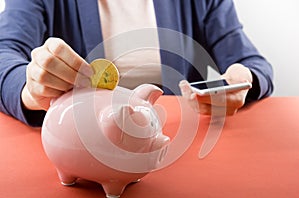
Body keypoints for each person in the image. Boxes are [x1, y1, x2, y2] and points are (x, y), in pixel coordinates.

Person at [0, 0, 273, 127]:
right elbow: (5, 52)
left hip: (177, 141)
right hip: (79, 146)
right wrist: (30, 88)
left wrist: (243, 79)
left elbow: (251, 63)